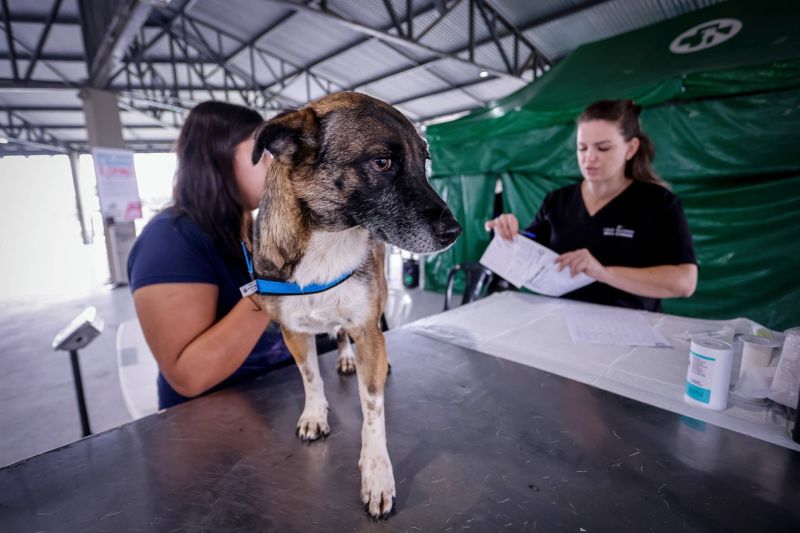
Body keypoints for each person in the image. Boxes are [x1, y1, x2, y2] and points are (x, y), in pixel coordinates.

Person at [127, 101, 292, 409]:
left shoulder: (249, 226)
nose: (274, 163)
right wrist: (274, 283)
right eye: (262, 150)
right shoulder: (170, 241)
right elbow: (189, 376)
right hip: (213, 419)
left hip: (275, 397)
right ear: (217, 156)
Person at [485, 99, 697, 311]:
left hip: (629, 327)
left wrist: (602, 272)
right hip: (559, 321)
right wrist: (509, 232)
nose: (589, 158)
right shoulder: (557, 200)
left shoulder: (658, 203)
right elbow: (531, 243)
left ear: (631, 149)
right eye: (582, 148)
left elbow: (684, 282)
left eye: (603, 148)